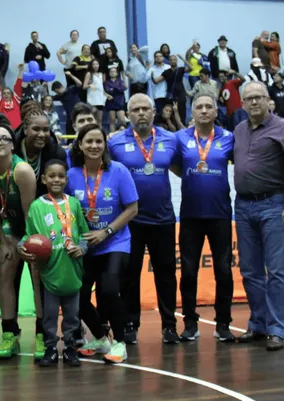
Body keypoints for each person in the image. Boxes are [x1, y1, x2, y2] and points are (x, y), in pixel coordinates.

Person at [108, 93, 181, 344]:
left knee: (167, 274)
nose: (140, 113)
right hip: (130, 221)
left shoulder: (170, 140)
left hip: (163, 219)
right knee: (129, 275)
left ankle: (169, 326)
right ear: (127, 115)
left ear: (153, 112)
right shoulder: (115, 143)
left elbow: (181, 169)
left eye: (145, 109)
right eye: (135, 109)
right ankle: (130, 324)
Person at [67, 124, 138, 363]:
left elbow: (132, 208)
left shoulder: (118, 171)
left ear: (105, 145)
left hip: (115, 242)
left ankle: (120, 343)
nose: (94, 146)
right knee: (78, 295)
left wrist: (106, 232)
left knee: (108, 289)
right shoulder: (71, 175)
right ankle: (100, 337)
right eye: (89, 141)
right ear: (79, 145)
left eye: (99, 141)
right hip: (87, 245)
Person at [174, 93, 236, 342]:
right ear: (192, 112)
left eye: (209, 106)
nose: (203, 110)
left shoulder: (229, 138)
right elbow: (172, 163)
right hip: (190, 215)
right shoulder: (180, 138)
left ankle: (223, 324)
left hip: (220, 215)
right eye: (199, 106)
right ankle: (190, 323)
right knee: (188, 271)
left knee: (224, 270)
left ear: (216, 111)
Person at [18, 159, 89, 367]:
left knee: (72, 316)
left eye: (60, 176)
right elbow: (27, 236)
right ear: (43, 179)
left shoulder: (74, 204)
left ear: (66, 180)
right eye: (52, 176)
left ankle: (70, 348)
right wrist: (20, 248)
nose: (56, 179)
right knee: (49, 316)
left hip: (72, 271)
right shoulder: (37, 207)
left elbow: (84, 235)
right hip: (49, 272)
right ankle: (50, 348)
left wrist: (82, 248)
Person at [0, 121, 36, 358]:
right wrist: (3, 241)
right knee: (6, 272)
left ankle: (43, 334)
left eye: (4, 138)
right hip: (5, 229)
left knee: (37, 278)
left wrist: (26, 243)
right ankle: (9, 333)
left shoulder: (22, 170)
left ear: (12, 144)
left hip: (29, 227)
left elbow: (30, 213)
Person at [232, 81, 284, 350]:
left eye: (258, 98)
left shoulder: (281, 127)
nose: (253, 102)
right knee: (250, 270)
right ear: (242, 103)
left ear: (268, 100)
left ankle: (278, 328)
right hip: (242, 207)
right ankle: (258, 324)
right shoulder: (239, 129)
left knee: (276, 271)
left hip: (273, 204)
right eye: (249, 98)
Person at [0, 62, 23, 129]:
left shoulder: (16, 101)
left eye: (8, 93)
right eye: (4, 93)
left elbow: (18, 85)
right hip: (2, 130)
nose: (6, 94)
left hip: (16, 131)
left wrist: (21, 71)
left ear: (12, 95)